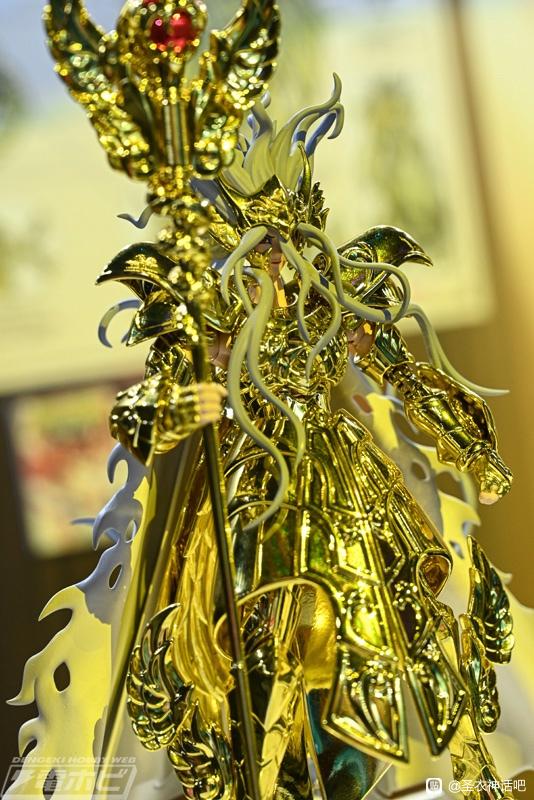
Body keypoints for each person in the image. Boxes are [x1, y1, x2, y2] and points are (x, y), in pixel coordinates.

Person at [99, 81, 514, 800]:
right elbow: (138, 415)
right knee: (258, 643)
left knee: (402, 627)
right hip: (252, 490)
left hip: (343, 481)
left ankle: (431, 769)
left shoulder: (334, 305)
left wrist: (472, 449)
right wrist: (186, 404)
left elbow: (410, 378)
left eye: (288, 241)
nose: (278, 261)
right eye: (264, 246)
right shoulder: (212, 321)